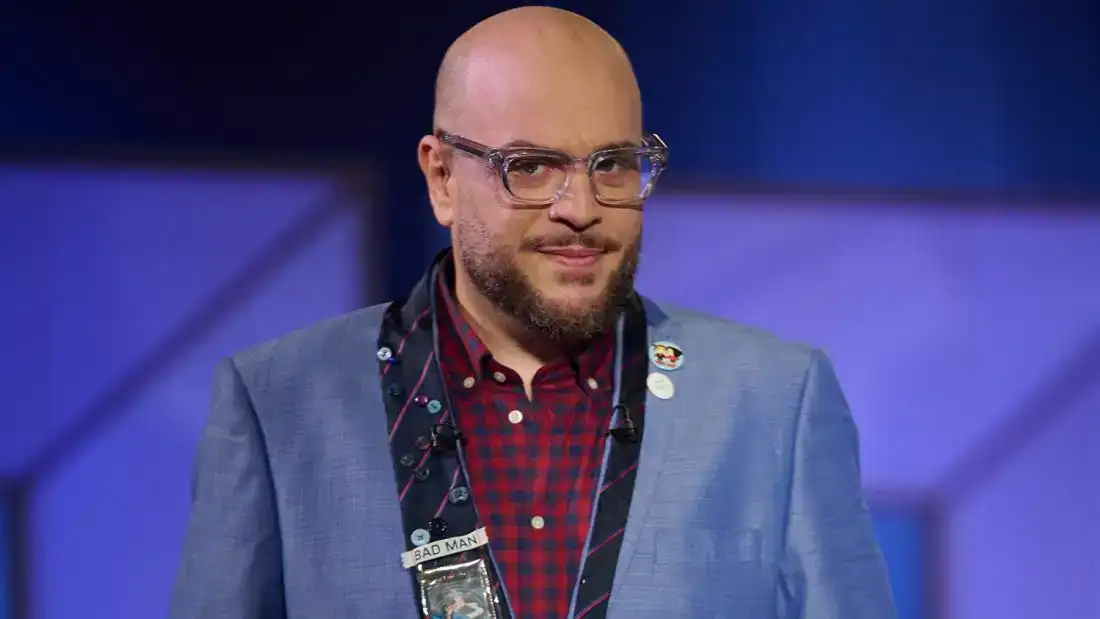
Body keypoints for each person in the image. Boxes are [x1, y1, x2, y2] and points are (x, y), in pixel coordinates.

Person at [170, 6, 897, 619]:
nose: (579, 209)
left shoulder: (775, 400)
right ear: (442, 177)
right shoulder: (279, 403)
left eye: (613, 164)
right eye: (530, 166)